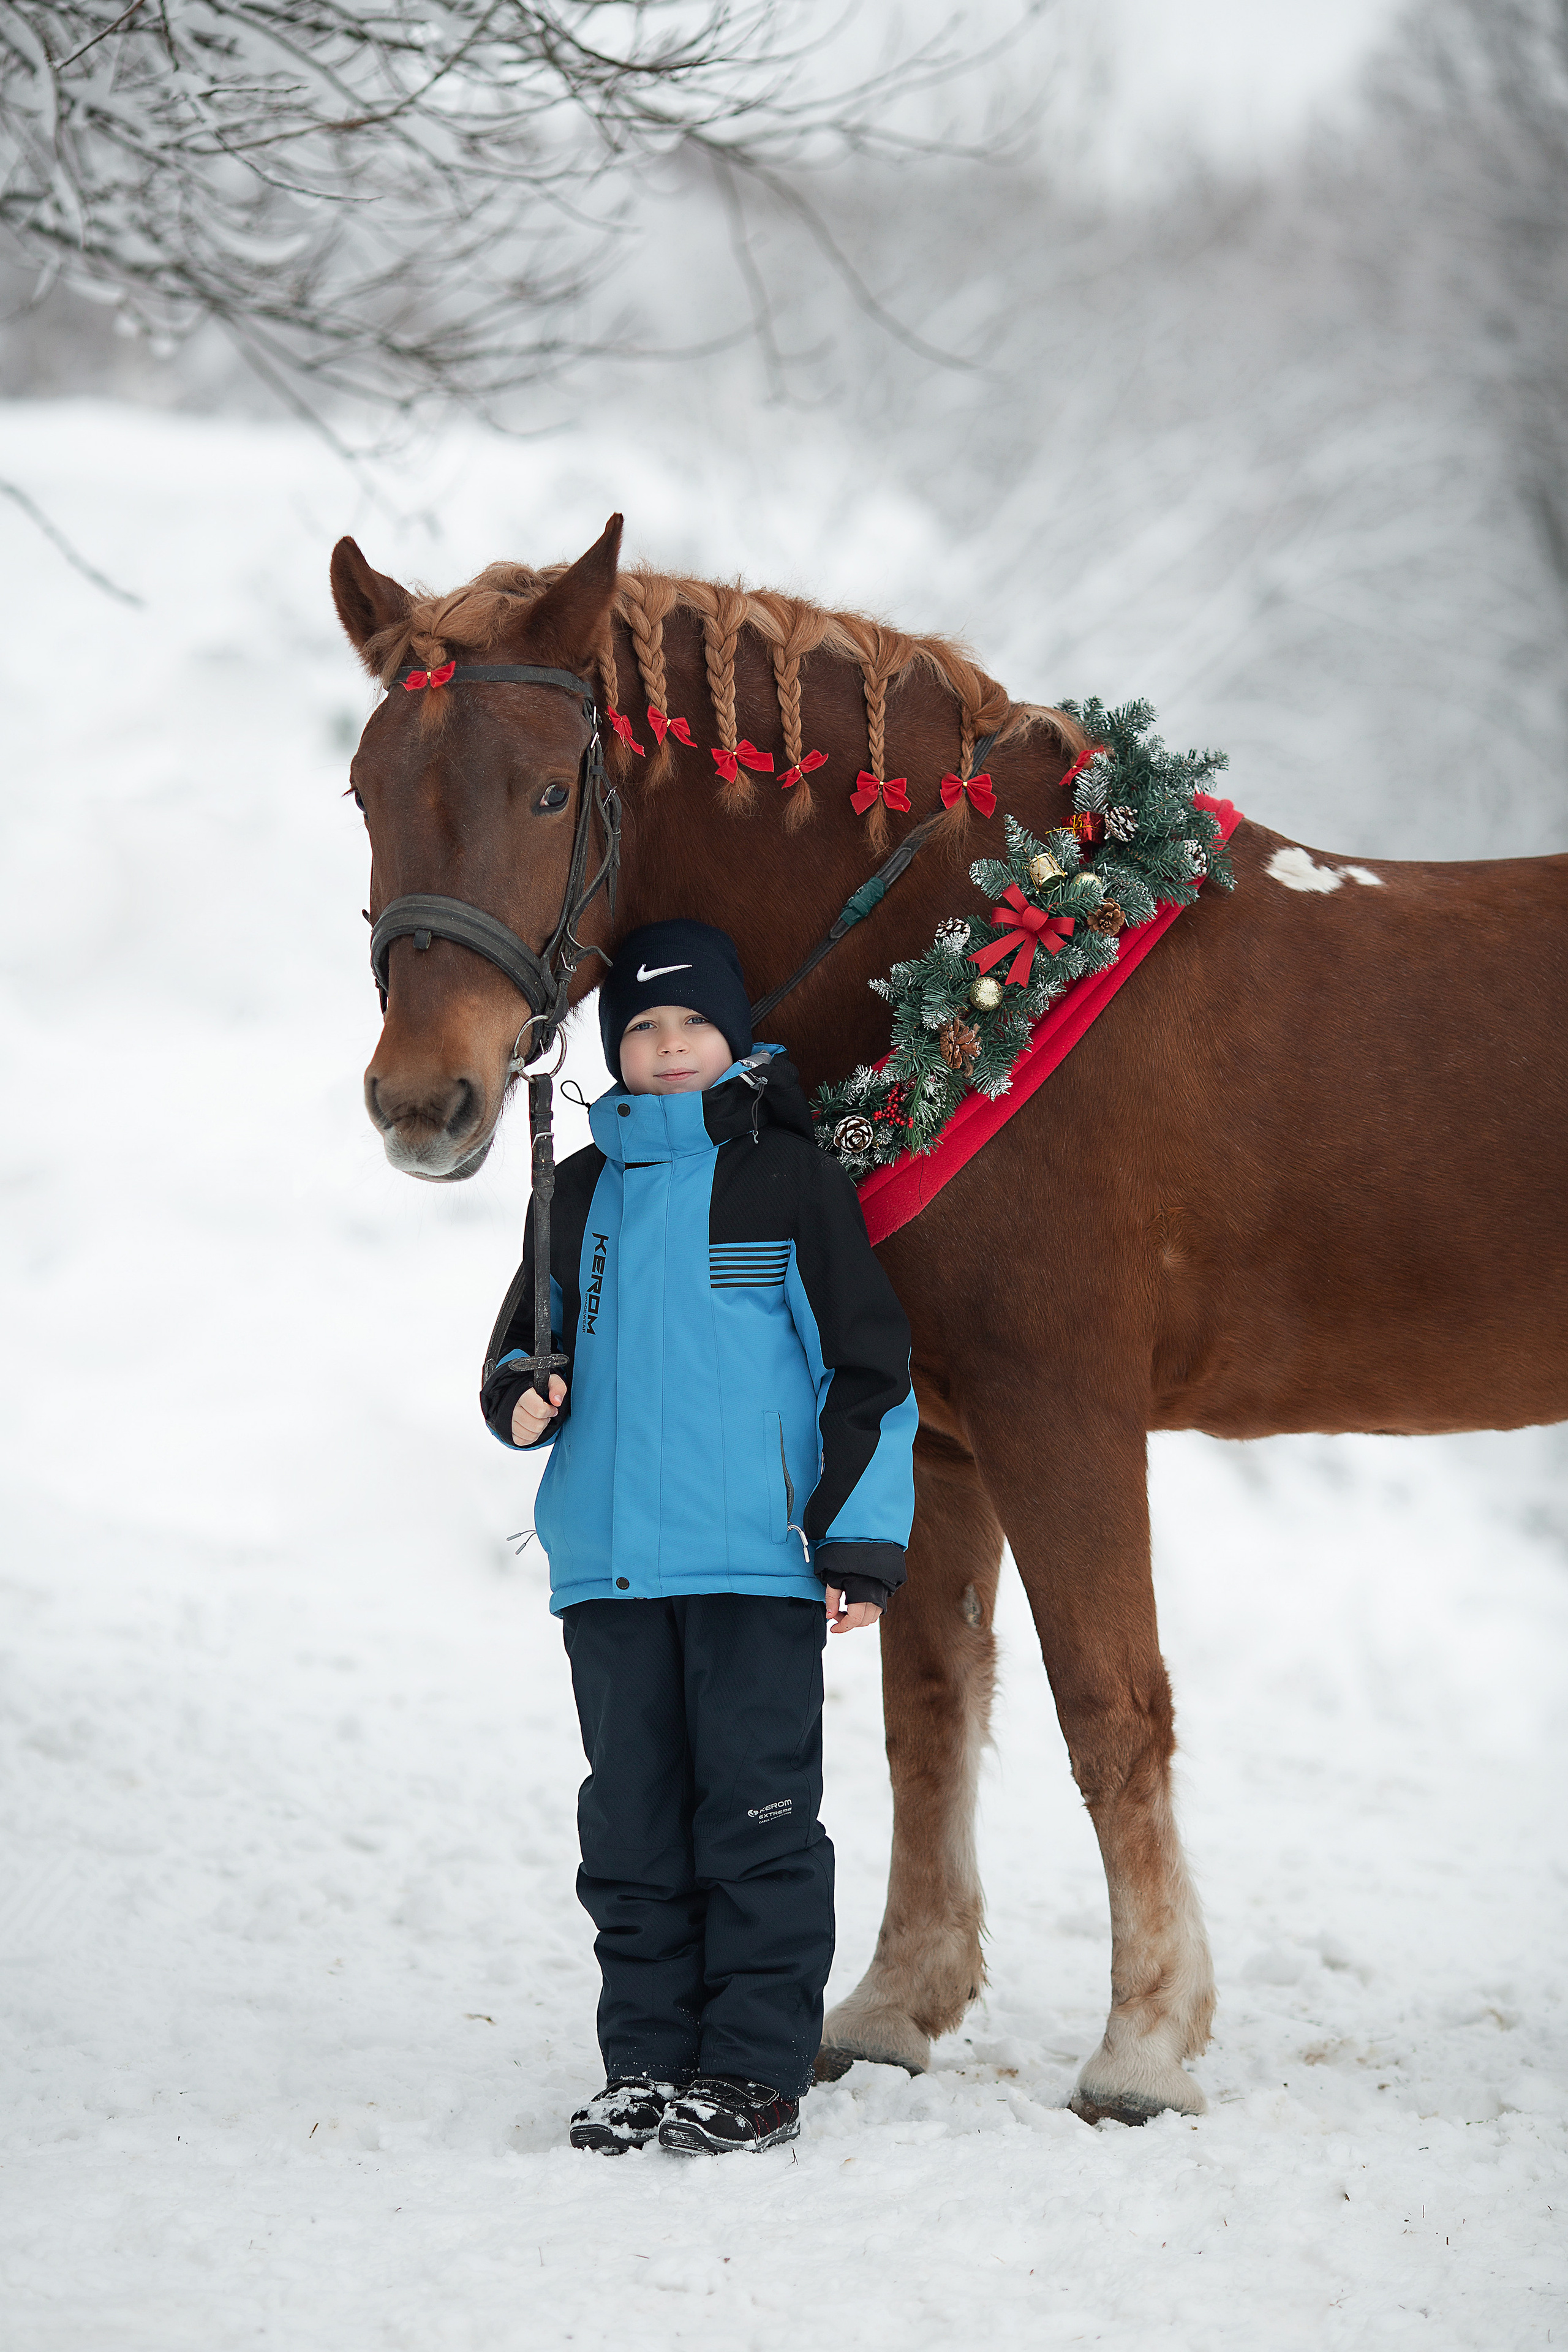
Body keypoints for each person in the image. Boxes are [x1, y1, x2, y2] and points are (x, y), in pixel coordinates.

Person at [480, 919, 917, 2155]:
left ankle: (752, 2073)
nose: (668, 1047)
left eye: (691, 1025)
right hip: (610, 1569)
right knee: (629, 1828)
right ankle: (646, 2064)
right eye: (640, 1029)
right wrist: (518, 1391)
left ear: (735, 1035)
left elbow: (870, 1372)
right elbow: (524, 1340)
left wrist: (860, 1544)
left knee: (755, 1820)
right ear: (614, 1051)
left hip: (755, 1563)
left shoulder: (787, 1180)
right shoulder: (576, 1192)